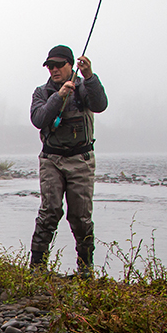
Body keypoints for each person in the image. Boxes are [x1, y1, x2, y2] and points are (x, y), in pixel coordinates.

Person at [29, 44, 108, 275]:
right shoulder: (41, 93)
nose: (53, 69)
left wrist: (90, 76)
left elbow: (100, 105)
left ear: (70, 65)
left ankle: (85, 270)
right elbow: (39, 119)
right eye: (50, 66)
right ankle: (37, 268)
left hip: (81, 160)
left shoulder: (84, 88)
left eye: (58, 65)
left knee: (80, 217)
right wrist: (59, 95)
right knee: (49, 212)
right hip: (51, 160)